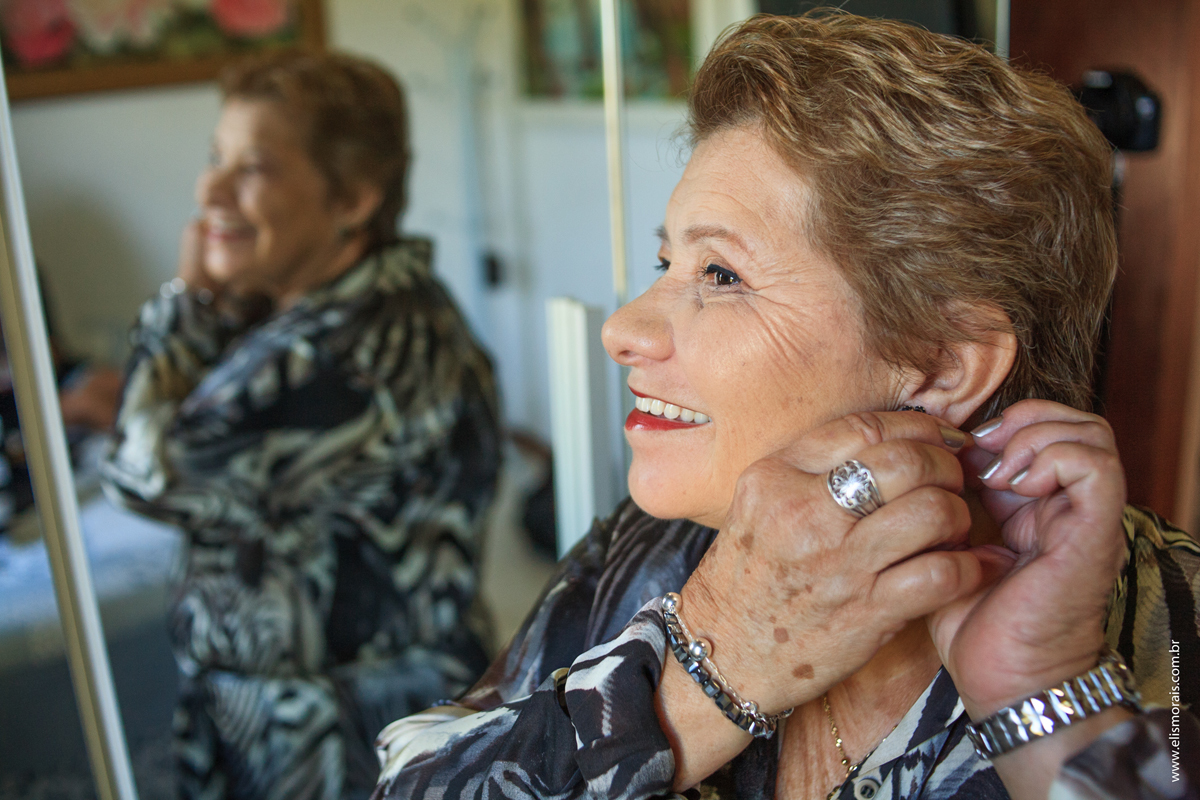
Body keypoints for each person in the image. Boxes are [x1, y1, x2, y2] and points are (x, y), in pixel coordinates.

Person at [370, 12, 1199, 800]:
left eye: (720, 275)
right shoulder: (664, 545)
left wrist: (1043, 696)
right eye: (666, 262)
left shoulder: (1172, 627)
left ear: (943, 365)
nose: (623, 329)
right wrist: (709, 669)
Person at [101, 50, 502, 800]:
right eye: (215, 158)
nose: (210, 190)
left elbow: (141, 473)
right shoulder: (356, 310)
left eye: (253, 167)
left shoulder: (344, 355)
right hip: (317, 713)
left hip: (333, 741)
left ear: (353, 198)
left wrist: (187, 302)